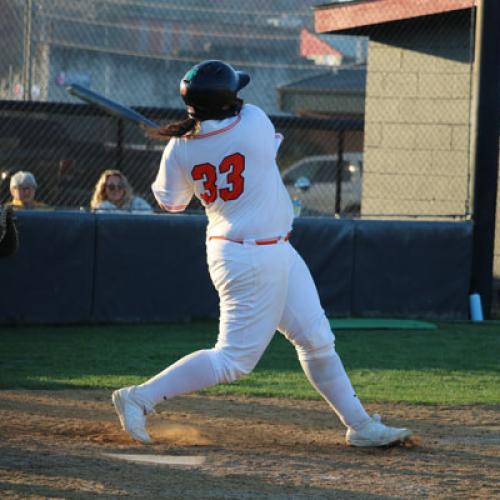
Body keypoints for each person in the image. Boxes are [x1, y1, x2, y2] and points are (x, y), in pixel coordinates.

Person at [112, 60, 413, 448]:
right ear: (224, 102)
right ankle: (139, 397)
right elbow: (252, 152)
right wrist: (191, 144)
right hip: (248, 259)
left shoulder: (179, 147)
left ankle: (360, 425)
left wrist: (182, 150)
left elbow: (171, 202)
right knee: (232, 361)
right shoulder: (253, 120)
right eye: (232, 92)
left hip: (272, 249)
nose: (240, 96)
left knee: (317, 338)